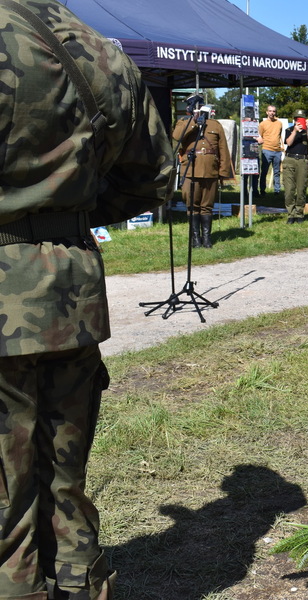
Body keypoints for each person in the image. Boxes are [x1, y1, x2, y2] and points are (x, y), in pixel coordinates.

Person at [0, 1, 174, 598]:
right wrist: (67, 221)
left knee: (6, 501)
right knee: (64, 480)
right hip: (70, 292)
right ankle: (79, 583)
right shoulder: (98, 49)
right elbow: (153, 175)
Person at [173, 96, 234, 248]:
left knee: (207, 205)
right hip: (190, 170)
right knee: (192, 205)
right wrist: (193, 121)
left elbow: (223, 150)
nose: (197, 109)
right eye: (194, 107)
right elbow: (176, 138)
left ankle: (206, 238)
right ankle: (195, 239)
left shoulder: (215, 124)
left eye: (199, 106)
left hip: (210, 170)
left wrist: (223, 171)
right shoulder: (183, 123)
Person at [282, 109, 308, 224]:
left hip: (302, 160)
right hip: (290, 159)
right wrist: (295, 131)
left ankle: (299, 213)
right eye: (297, 119)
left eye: (301, 119)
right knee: (289, 190)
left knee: (301, 189)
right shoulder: (289, 130)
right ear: (294, 120)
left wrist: (307, 130)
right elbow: (289, 143)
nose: (299, 121)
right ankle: (291, 214)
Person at [256, 105, 283, 196]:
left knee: (277, 172)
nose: (272, 113)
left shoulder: (279, 123)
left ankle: (277, 191)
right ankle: (262, 190)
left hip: (277, 151)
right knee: (264, 172)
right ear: (267, 112)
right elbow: (259, 136)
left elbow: (279, 135)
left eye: (274, 111)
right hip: (266, 150)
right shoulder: (262, 124)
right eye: (270, 111)